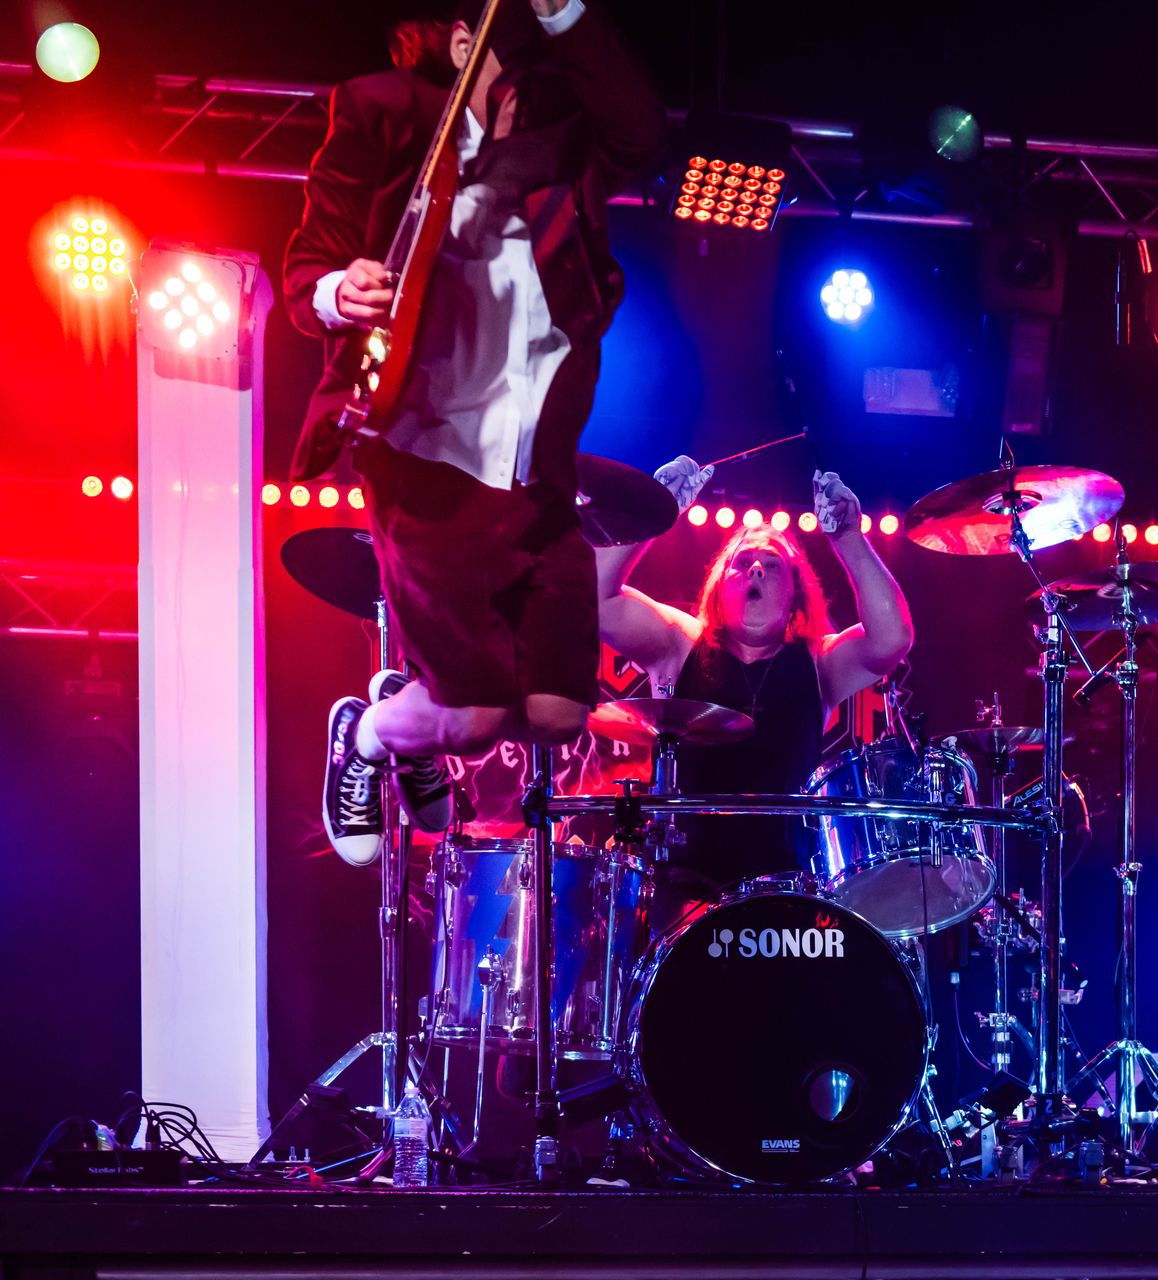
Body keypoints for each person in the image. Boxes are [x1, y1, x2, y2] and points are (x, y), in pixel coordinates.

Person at [282, 0, 667, 865]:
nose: (527, 99)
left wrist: (562, 13)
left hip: (534, 468)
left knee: (561, 714)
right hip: (425, 455)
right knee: (475, 719)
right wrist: (338, 289)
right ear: (463, 46)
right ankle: (370, 733)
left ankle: (412, 711)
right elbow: (309, 265)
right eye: (512, 74)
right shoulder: (383, 112)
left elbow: (643, 132)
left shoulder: (570, 141)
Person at [596, 459, 915, 926]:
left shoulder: (819, 661)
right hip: (687, 890)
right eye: (742, 563)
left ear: (794, 593)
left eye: (772, 564)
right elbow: (597, 600)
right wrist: (651, 513)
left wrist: (848, 536)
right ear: (718, 586)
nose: (757, 570)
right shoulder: (679, 643)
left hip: (790, 889)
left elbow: (892, 638)